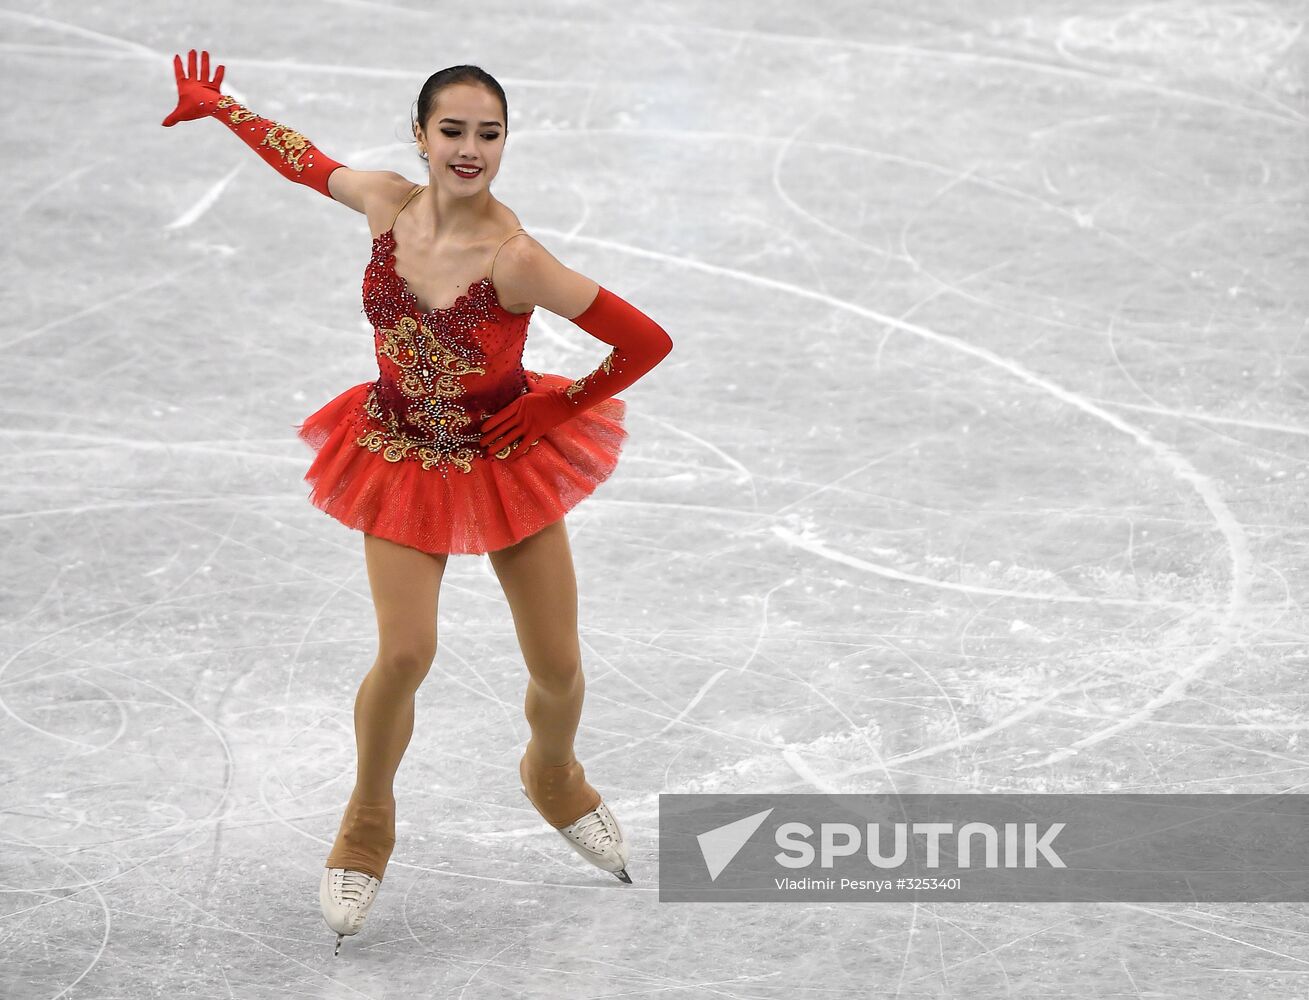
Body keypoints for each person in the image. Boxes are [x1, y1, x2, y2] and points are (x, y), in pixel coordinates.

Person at [161, 49, 674, 956]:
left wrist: (561, 401)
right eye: (453, 130)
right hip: (397, 453)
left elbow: (644, 339)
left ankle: (552, 774)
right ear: (421, 134)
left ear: (505, 141)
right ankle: (366, 817)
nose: (470, 148)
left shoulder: (516, 259)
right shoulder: (386, 202)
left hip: (500, 458)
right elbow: (302, 156)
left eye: (489, 133)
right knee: (405, 651)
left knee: (557, 668)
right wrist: (219, 106)